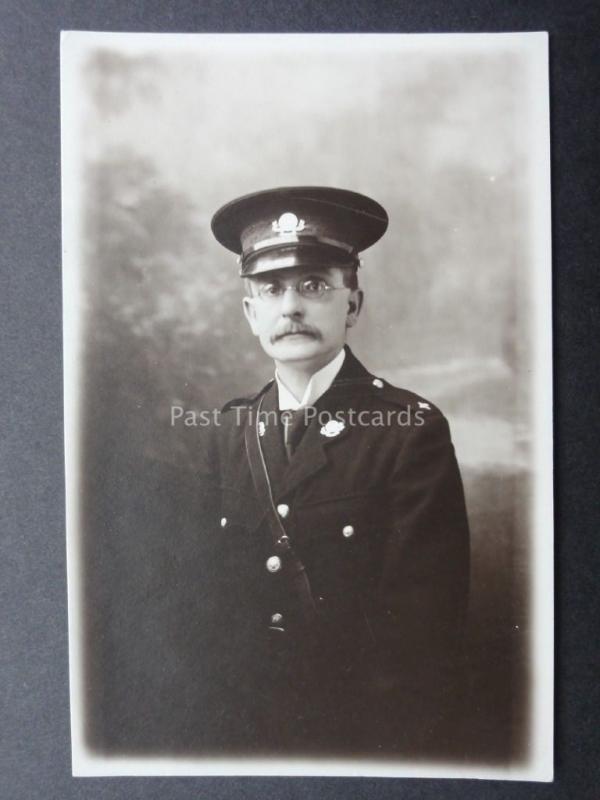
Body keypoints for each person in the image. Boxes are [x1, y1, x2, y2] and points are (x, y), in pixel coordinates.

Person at [195, 186, 470, 758]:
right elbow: (199, 605)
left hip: (357, 730)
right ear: (251, 313)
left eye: (314, 286)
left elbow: (422, 629)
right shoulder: (229, 430)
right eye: (271, 289)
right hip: (235, 730)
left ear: (352, 304)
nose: (291, 306)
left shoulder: (407, 431)